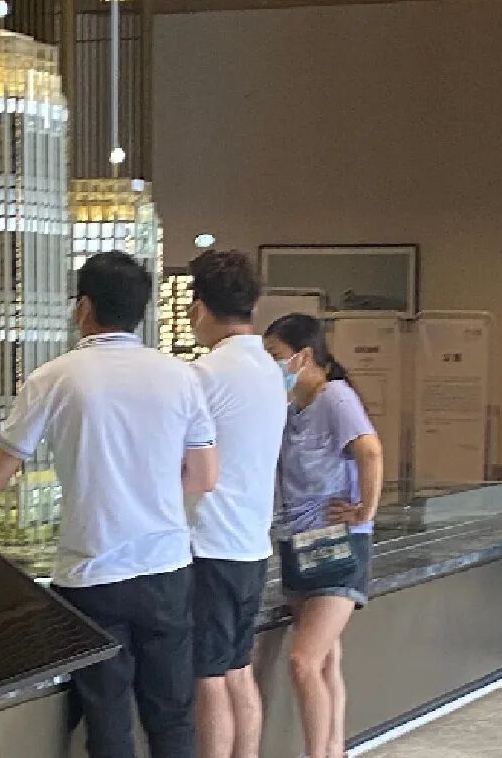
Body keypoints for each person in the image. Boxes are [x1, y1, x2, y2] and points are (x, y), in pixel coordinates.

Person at [0, 251, 219, 758]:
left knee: (107, 721)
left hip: (91, 576)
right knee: (171, 718)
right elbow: (205, 476)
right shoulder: (180, 376)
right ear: (141, 310)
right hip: (166, 569)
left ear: (83, 308)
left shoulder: (54, 378)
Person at [263, 313, 383, 758]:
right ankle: (333, 749)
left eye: (276, 355)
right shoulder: (293, 407)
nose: (272, 365)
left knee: (304, 660)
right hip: (298, 543)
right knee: (327, 658)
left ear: (304, 355)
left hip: (337, 545)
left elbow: (370, 451)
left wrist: (364, 510)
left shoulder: (335, 396)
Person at [186, 250, 287, 758]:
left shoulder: (204, 375)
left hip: (209, 544)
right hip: (251, 543)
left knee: (207, 677)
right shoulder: (272, 370)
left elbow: (183, 463)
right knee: (238, 670)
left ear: (200, 306)